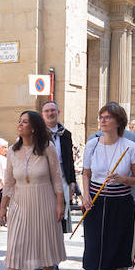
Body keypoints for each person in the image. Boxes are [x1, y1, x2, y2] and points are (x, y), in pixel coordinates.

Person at [77, 102, 135, 270]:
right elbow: (86, 173)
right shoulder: (92, 145)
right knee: (94, 250)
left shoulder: (130, 147)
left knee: (116, 250)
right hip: (95, 204)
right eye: (101, 117)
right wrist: (85, 194)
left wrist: (122, 178)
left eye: (108, 117)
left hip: (120, 204)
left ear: (118, 121)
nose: (103, 120)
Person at [0, 112, 65, 270]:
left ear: (33, 127)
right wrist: (3, 207)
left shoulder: (47, 148)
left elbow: (56, 178)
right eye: (19, 121)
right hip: (20, 202)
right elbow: (8, 182)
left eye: (24, 122)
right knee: (15, 247)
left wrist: (60, 203)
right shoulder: (11, 150)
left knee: (46, 244)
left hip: (44, 200)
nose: (20, 124)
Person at [42, 100, 78, 242]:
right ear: (42, 114)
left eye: (53, 110)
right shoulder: (38, 134)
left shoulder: (66, 134)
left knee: (60, 214)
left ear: (58, 112)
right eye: (47, 111)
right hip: (44, 177)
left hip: (62, 177)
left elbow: (69, 159)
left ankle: (55, 254)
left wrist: (72, 182)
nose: (50, 113)